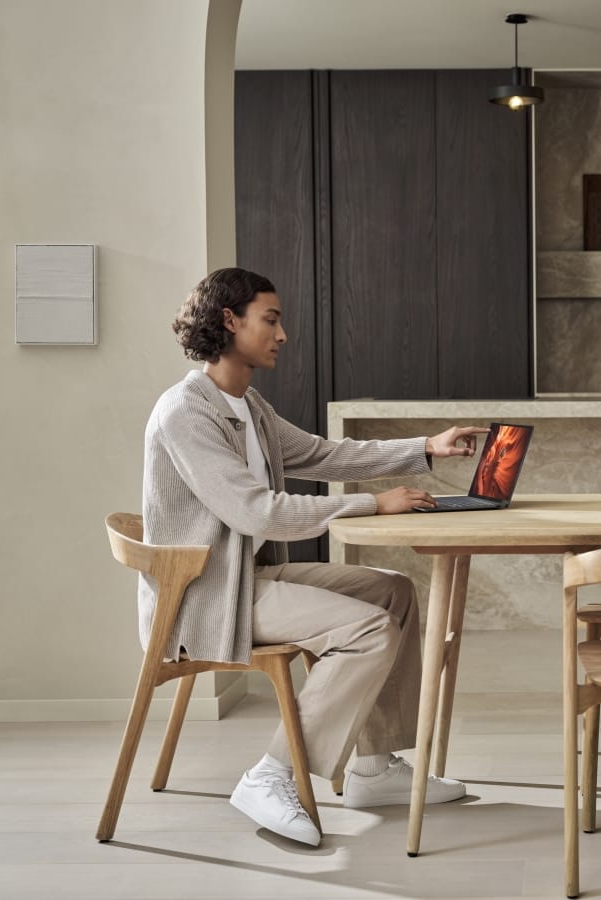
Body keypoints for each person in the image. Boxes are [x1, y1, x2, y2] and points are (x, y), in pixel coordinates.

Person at [141, 267, 487, 847]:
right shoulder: (186, 412)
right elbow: (256, 512)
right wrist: (372, 506)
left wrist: (425, 447)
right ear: (230, 321)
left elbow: (325, 454)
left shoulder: (247, 406)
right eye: (271, 320)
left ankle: (373, 767)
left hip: (246, 577)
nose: (283, 335)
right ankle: (272, 773)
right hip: (206, 596)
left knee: (392, 592)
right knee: (367, 629)